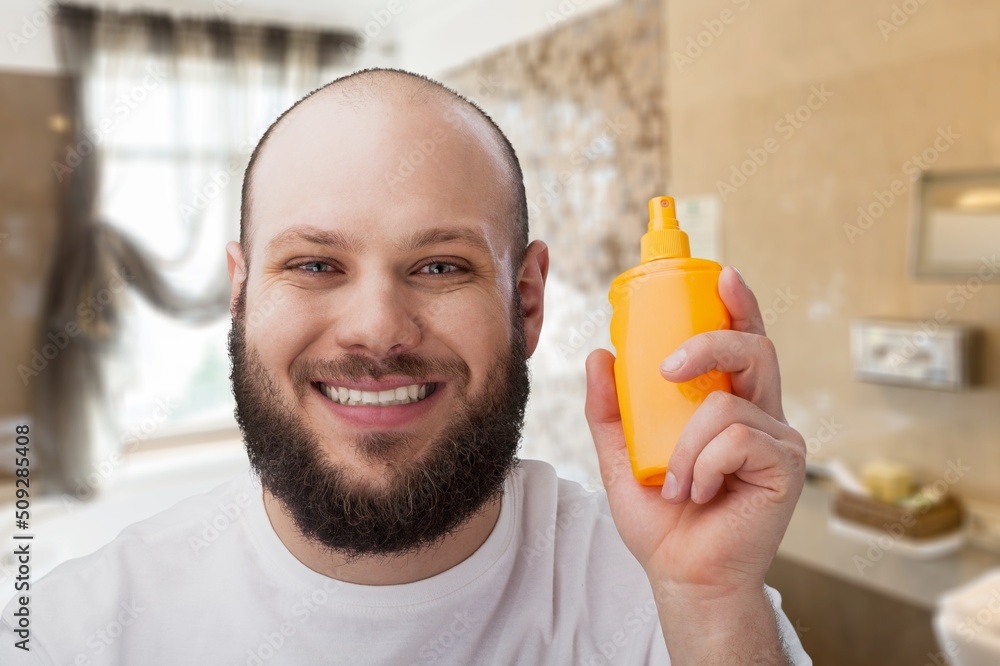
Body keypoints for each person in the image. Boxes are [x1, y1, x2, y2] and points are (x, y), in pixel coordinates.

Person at [2, 67, 810, 665]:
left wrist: (707, 605)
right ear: (241, 295)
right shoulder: (78, 631)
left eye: (440, 267)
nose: (378, 331)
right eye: (316, 265)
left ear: (527, 303)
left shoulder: (671, 602)